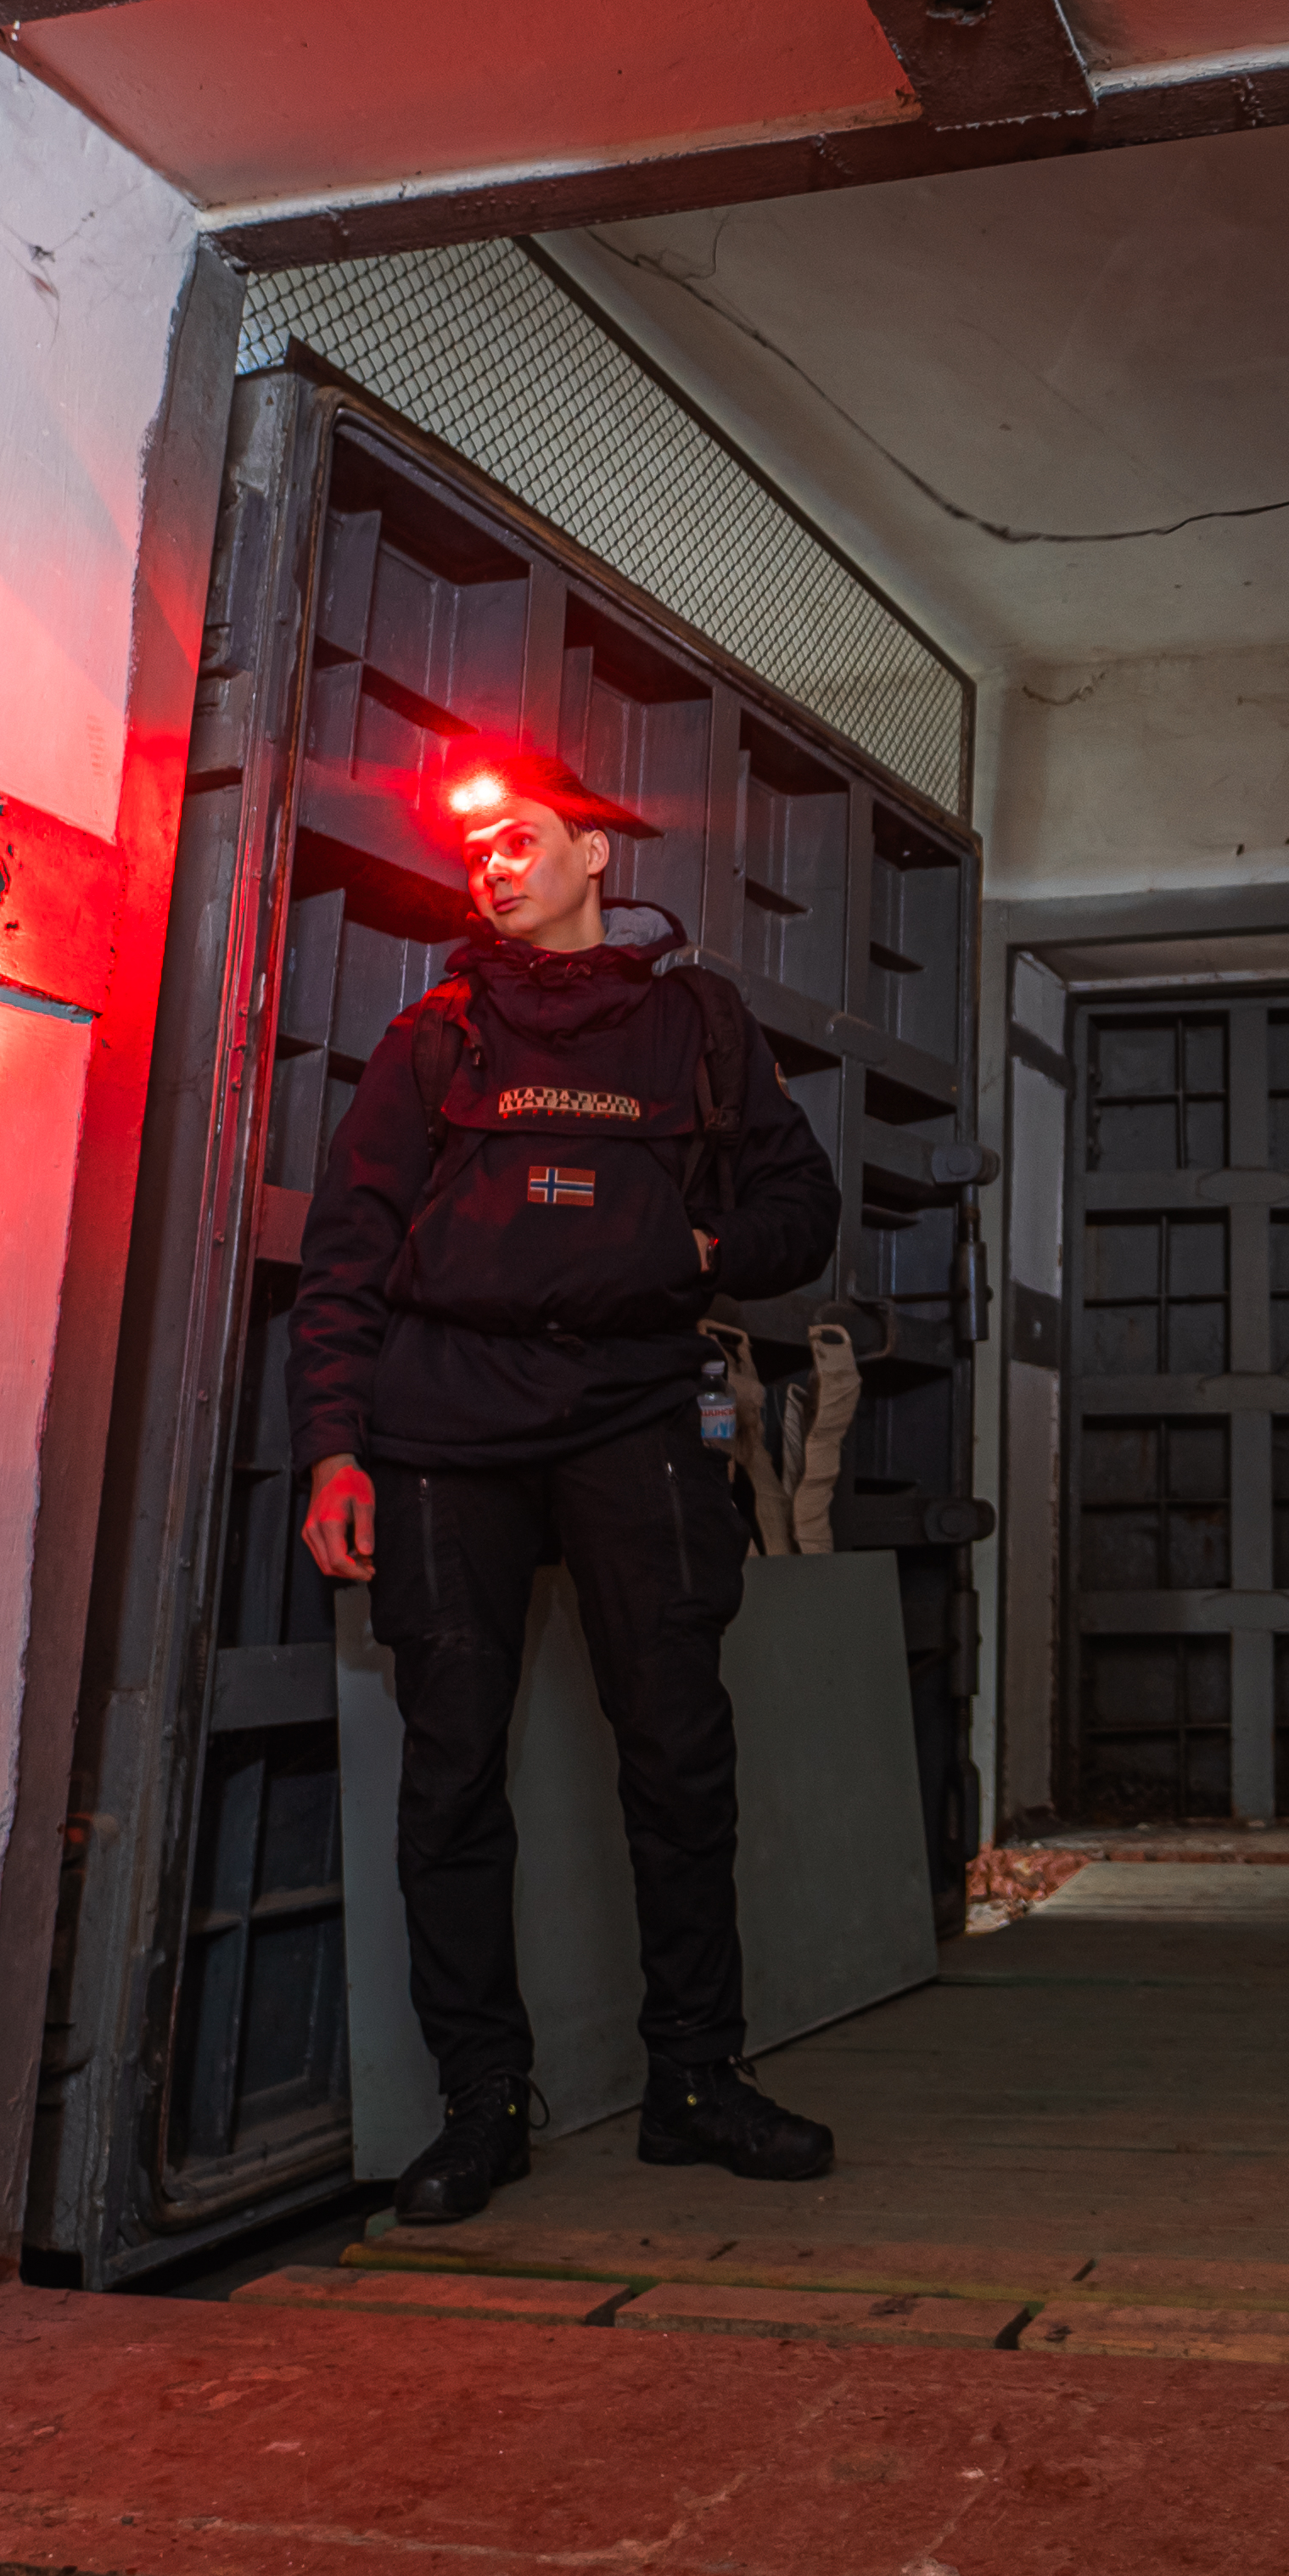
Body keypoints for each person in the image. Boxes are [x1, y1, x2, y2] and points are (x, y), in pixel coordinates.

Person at [293, 745, 845, 2226]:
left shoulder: (699, 1029)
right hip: (439, 1430)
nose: (496, 861)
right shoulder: (434, 1039)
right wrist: (335, 1444)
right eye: (478, 851)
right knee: (450, 1771)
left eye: (524, 836)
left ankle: (693, 2084)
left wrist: (699, 1256)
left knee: (677, 1751)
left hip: (636, 1418)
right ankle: (483, 2105)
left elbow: (805, 1207)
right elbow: (346, 1254)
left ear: (596, 856)